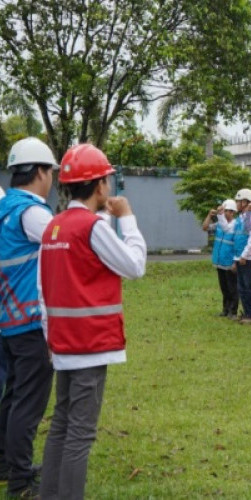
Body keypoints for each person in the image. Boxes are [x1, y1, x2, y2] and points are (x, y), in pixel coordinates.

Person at [39, 143, 146, 499]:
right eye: (107, 182)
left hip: (63, 344)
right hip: (89, 345)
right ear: (99, 186)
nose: (110, 189)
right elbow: (134, 266)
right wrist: (127, 218)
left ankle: (49, 494)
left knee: (61, 425)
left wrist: (50, 339)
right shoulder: (91, 228)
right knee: (80, 434)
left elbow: (43, 293)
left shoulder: (54, 228)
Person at [0, 137, 57, 498]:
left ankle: (6, 463)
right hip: (31, 322)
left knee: (12, 396)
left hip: (8, 320)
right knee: (28, 403)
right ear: (40, 171)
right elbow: (67, 247)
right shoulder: (33, 213)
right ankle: (20, 480)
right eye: (49, 171)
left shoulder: (6, 210)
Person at [203, 199, 238, 319]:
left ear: (233, 212)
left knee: (232, 288)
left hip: (229, 262)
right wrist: (209, 215)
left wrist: (235, 262)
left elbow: (238, 245)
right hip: (219, 261)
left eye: (228, 211)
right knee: (224, 288)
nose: (225, 213)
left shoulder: (235, 226)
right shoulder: (219, 225)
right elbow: (205, 227)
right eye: (224, 211)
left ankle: (233, 311)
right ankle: (225, 309)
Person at [232, 188, 251, 324]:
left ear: (245, 202)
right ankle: (246, 312)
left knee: (248, 286)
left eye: (238, 201)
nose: (236, 204)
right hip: (240, 257)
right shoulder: (240, 218)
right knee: (241, 287)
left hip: (248, 258)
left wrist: (244, 255)